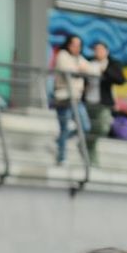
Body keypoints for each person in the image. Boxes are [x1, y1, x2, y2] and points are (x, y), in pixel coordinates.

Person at [51, 34, 97, 165]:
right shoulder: (62, 55)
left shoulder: (79, 58)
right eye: (74, 44)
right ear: (68, 44)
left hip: (76, 98)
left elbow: (92, 69)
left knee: (85, 126)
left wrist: (83, 69)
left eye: (79, 45)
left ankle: (60, 140)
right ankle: (61, 157)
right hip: (63, 97)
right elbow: (69, 71)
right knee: (64, 128)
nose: (76, 47)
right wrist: (81, 70)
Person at [83, 40, 125, 166]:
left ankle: (85, 145)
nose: (98, 52)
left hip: (103, 103)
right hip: (87, 102)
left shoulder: (112, 63)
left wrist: (104, 70)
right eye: (96, 50)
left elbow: (120, 79)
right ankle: (93, 162)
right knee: (87, 128)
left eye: (101, 50)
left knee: (102, 128)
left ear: (106, 51)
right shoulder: (88, 62)